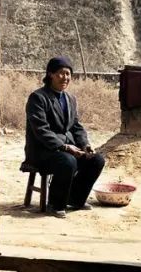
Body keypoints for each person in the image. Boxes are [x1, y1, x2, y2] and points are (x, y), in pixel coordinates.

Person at [25, 55, 105, 218]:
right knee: (68, 160)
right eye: (60, 73)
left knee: (97, 160)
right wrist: (65, 147)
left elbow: (76, 126)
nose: (65, 77)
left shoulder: (70, 99)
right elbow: (41, 130)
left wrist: (85, 145)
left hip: (67, 149)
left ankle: (75, 199)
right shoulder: (38, 98)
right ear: (50, 74)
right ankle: (55, 204)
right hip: (43, 151)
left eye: (68, 74)